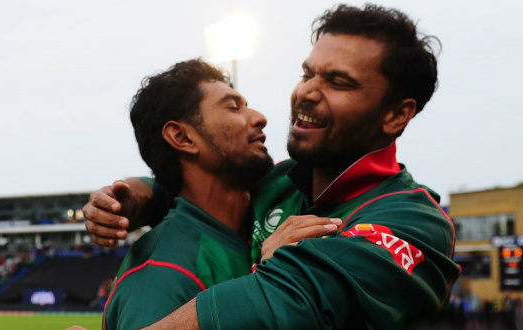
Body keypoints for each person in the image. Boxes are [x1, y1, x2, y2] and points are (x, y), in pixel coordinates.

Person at [85, 4, 461, 330]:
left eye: (339, 82)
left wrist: (271, 269)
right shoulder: (280, 181)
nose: (306, 92)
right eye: (307, 73)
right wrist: (132, 198)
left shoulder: (412, 223)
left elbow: (289, 297)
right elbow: (198, 192)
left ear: (396, 114)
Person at [98, 59, 340, 330]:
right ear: (182, 137)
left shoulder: (278, 195)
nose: (259, 117)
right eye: (233, 108)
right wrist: (267, 280)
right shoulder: (160, 274)